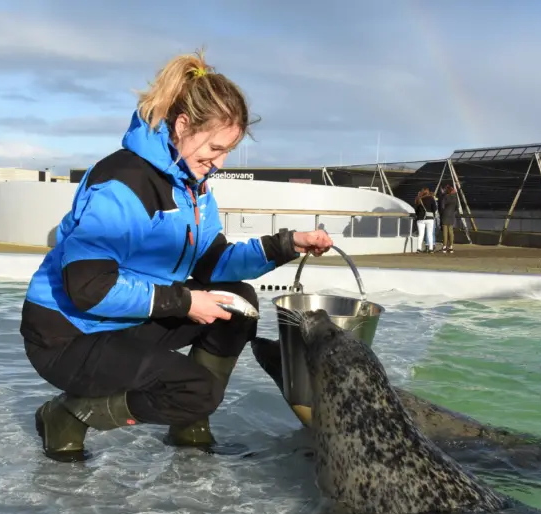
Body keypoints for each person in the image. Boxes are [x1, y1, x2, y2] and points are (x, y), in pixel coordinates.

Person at [19, 50, 334, 463]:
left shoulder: (193, 187)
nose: (219, 163)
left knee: (237, 304)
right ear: (183, 126)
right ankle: (68, 416)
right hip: (67, 335)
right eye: (216, 149)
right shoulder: (123, 184)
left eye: (228, 151)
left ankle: (189, 423)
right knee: (193, 389)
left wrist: (287, 245)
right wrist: (185, 302)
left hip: (121, 321)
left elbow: (213, 262)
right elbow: (87, 289)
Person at [413, 188, 437, 253]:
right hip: (429, 218)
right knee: (430, 234)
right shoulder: (431, 198)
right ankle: (431, 249)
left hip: (420, 219)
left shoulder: (419, 199)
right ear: (428, 192)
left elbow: (416, 210)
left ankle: (418, 248)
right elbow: (435, 208)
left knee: (420, 234)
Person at [439, 184, 459, 253]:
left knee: (445, 232)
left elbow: (442, 206)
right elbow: (457, 207)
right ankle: (451, 247)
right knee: (451, 231)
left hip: (445, 215)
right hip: (452, 215)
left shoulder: (445, 197)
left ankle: (444, 247)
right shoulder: (455, 197)